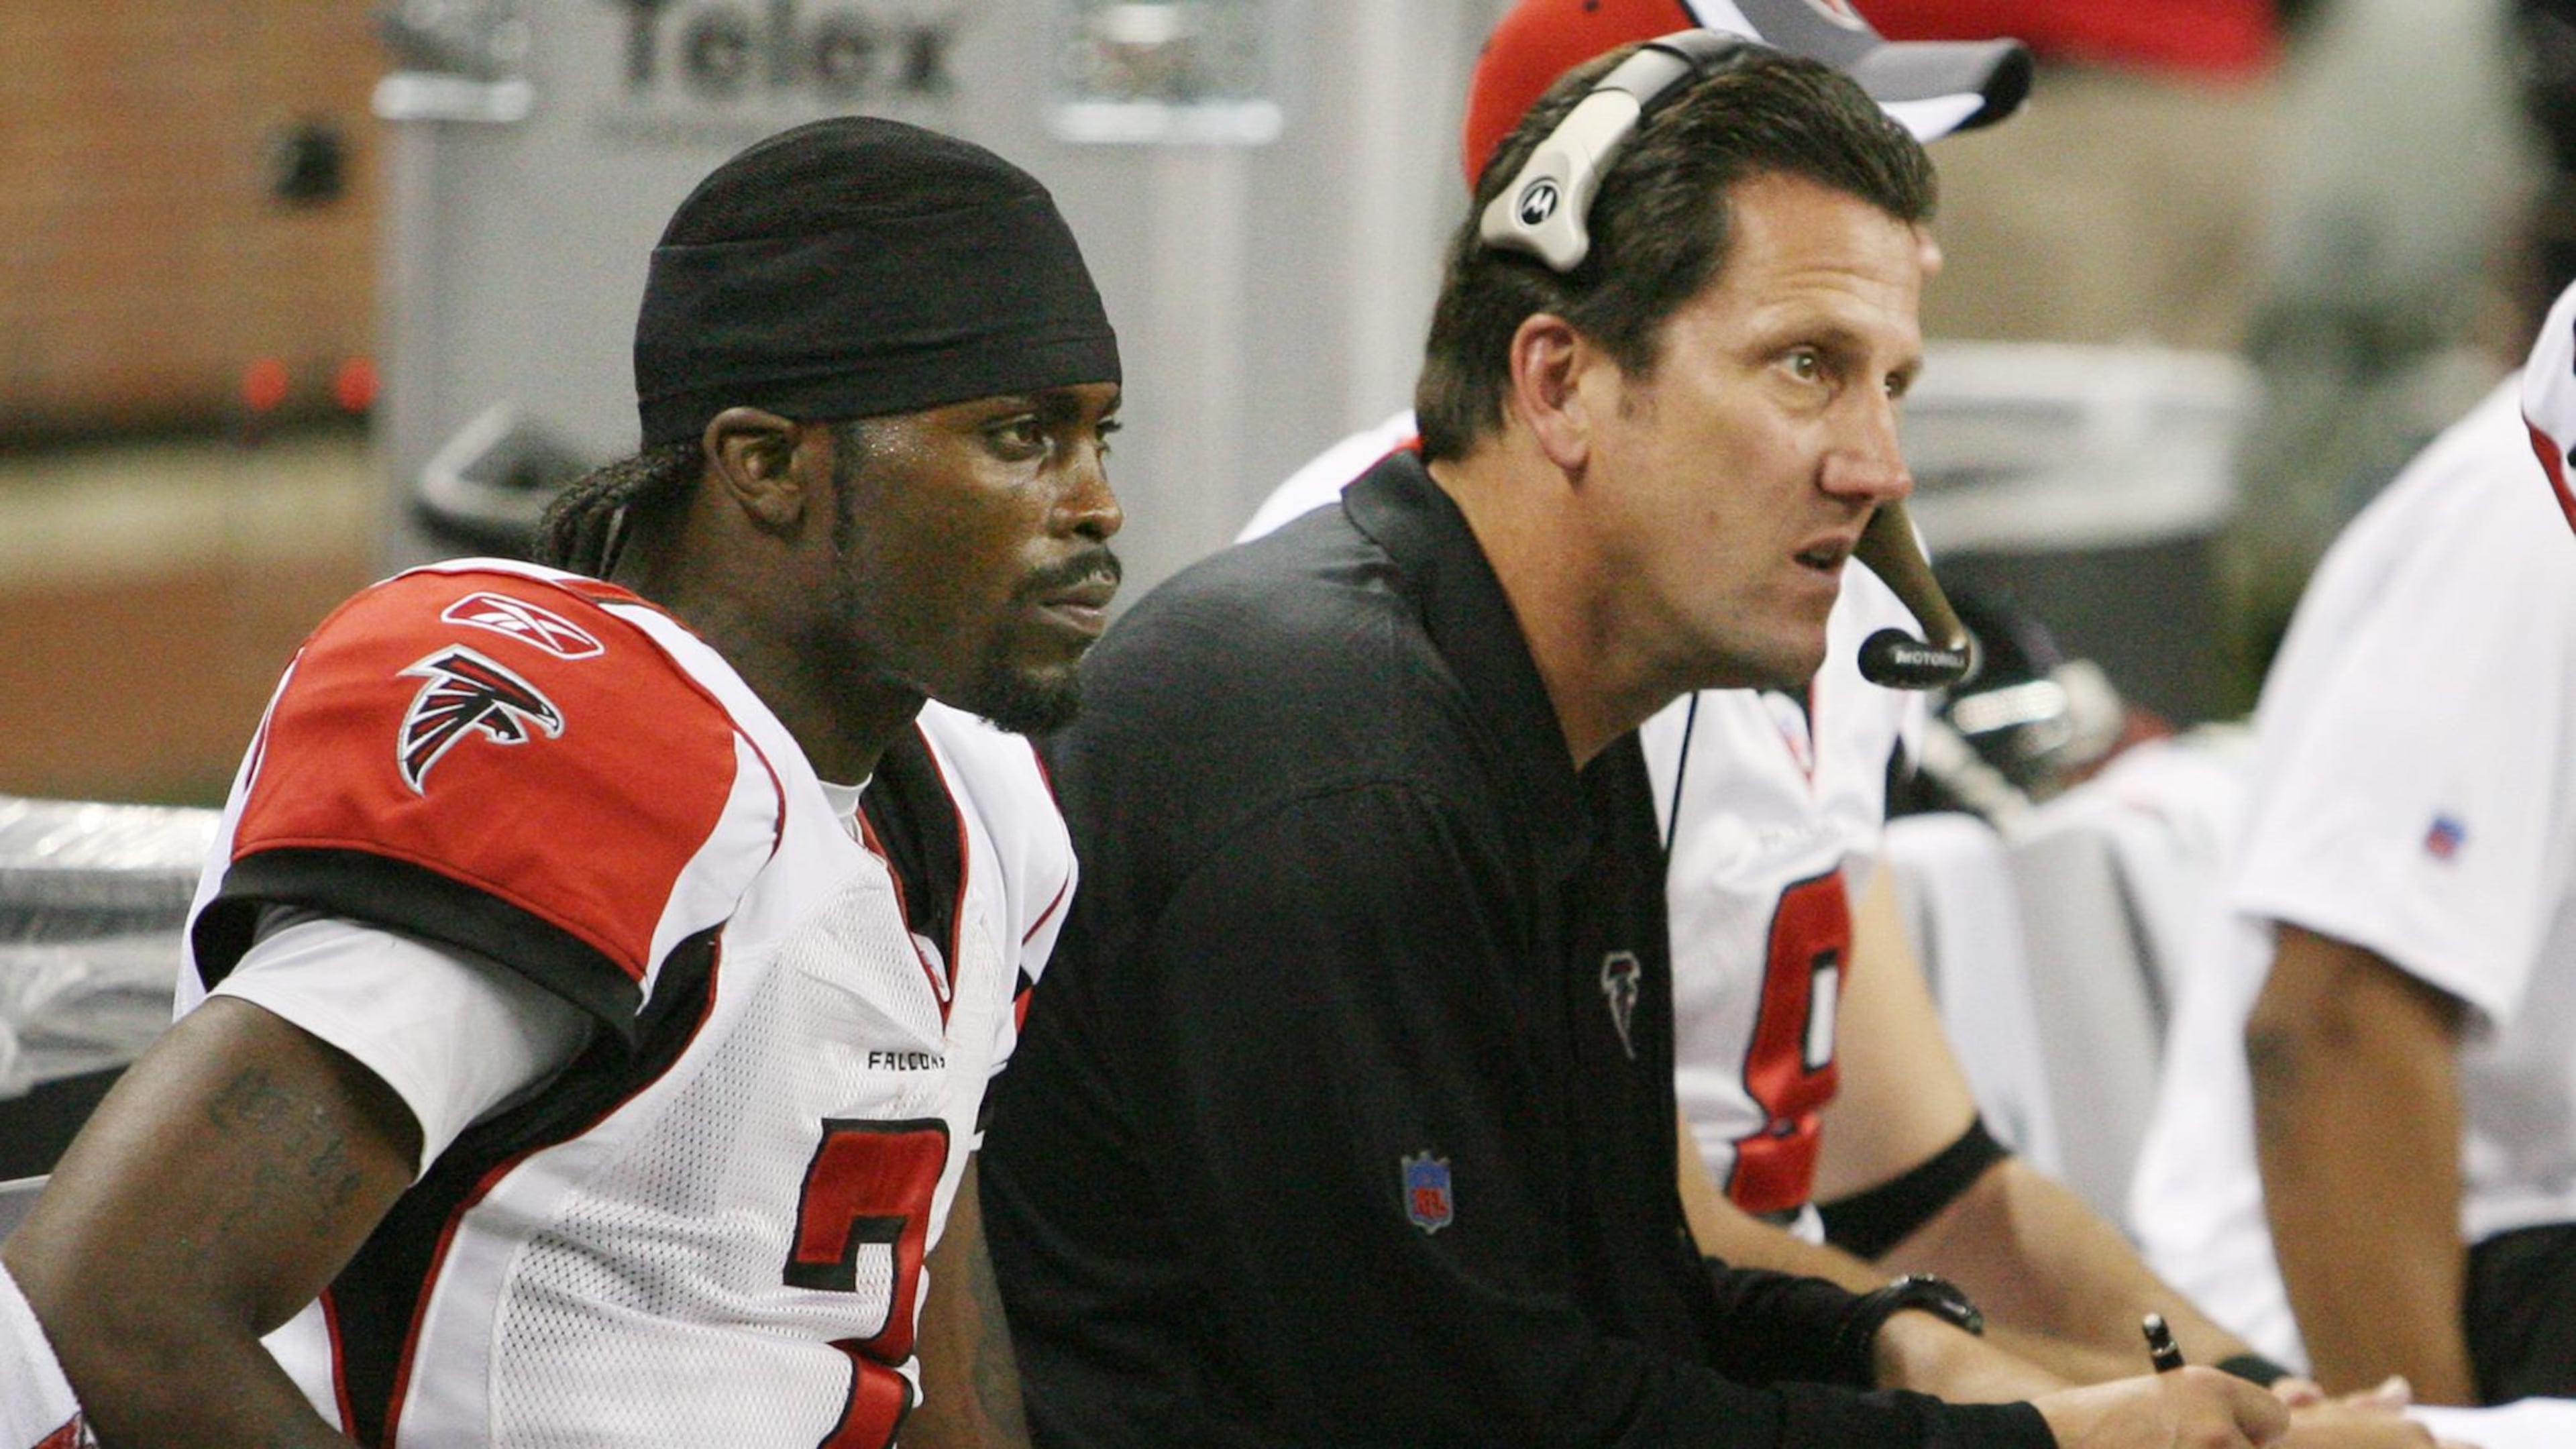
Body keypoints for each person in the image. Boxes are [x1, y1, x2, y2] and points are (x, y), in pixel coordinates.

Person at [982, 32, 2294, 1448]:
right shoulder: (1336, 758)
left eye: (1890, 385)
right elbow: (1480, 1417)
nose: (1879, 469)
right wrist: (2057, 1439)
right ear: (1555, 383)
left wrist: (1904, 1345)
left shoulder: (1553, 691)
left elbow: (1623, 1285)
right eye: (1806, 368)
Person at [0, 116, 1123, 1447]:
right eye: (1019, 437)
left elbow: (927, 1355)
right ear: (765, 464)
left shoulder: (986, 816)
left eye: (1101, 434)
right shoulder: (596, 753)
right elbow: (121, 1302)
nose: (1097, 501)